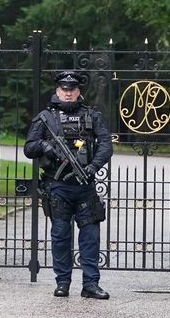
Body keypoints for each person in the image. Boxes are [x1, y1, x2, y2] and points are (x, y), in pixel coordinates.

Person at [23, 70, 113, 300]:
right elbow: (29, 147)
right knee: (61, 235)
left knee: (90, 237)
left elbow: (105, 145)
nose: (69, 93)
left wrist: (93, 166)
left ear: (78, 91)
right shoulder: (45, 118)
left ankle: (90, 284)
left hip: (85, 186)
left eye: (72, 89)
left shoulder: (92, 116)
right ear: (58, 91)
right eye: (65, 89)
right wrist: (45, 147)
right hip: (58, 186)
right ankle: (62, 282)